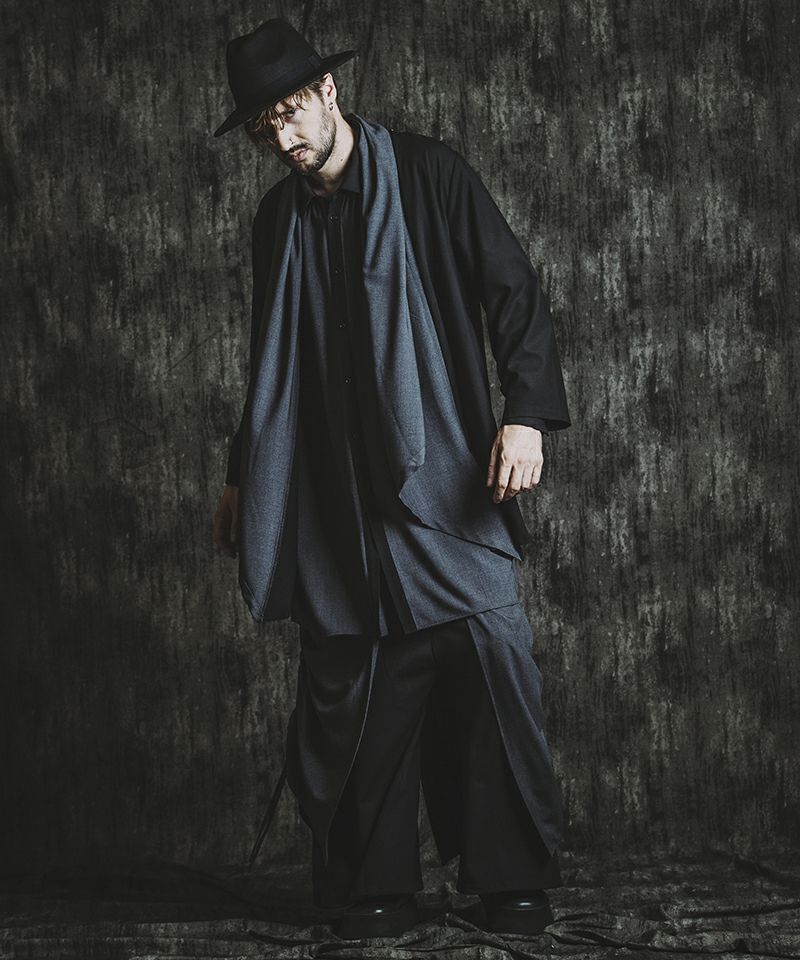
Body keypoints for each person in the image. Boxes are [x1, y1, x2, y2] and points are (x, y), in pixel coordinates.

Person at [211, 18, 571, 941]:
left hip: (443, 481)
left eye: (290, 113)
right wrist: (243, 476)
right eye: (264, 128)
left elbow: (514, 291)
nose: (282, 138)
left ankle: (508, 880)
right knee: (355, 683)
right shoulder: (275, 222)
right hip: (334, 495)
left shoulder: (429, 174)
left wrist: (527, 414)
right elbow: (268, 366)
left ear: (328, 92)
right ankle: (373, 884)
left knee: (489, 663)